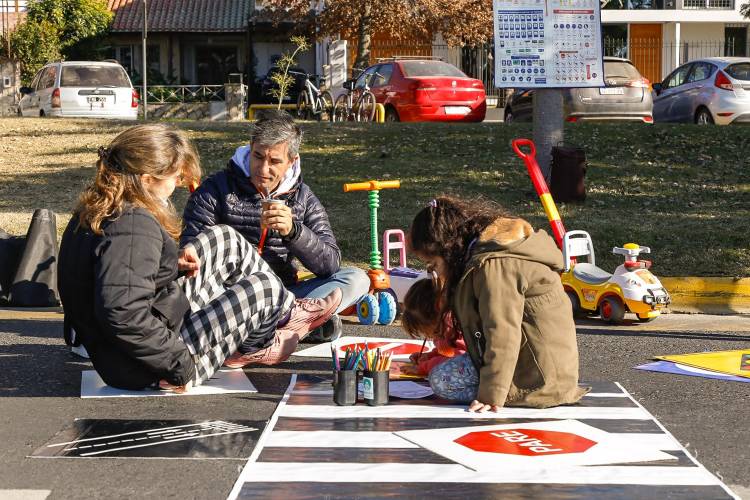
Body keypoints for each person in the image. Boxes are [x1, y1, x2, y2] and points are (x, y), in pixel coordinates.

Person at [57, 124, 341, 392]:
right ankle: (265, 336)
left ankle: (288, 313)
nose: (178, 184)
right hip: (149, 366)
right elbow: (122, 313)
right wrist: (179, 365)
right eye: (173, 178)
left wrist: (168, 264)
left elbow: (118, 281)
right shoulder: (132, 225)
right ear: (146, 180)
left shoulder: (102, 209)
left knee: (224, 238)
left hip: (139, 346)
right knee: (264, 286)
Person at [181, 110, 369, 362]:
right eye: (258, 157)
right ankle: (288, 329)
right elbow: (194, 252)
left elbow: (330, 263)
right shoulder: (217, 189)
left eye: (275, 161)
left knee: (356, 278)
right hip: (230, 297)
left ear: (292, 161)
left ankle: (259, 333)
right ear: (250, 148)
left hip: (286, 296)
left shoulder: (302, 198)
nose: (263, 168)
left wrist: (294, 232)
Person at [408, 196, 589, 412]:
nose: (435, 272)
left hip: (540, 378)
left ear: (448, 250)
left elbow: (502, 331)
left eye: (434, 264)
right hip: (536, 364)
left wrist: (491, 393)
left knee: (441, 380)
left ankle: (510, 392)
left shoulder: (495, 266)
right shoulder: (489, 256)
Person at [400, 277, 466, 378]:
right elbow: (448, 351)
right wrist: (430, 356)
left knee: (438, 383)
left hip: (476, 374)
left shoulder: (454, 325)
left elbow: (460, 362)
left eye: (427, 331)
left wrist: (425, 367)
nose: (428, 336)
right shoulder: (442, 325)